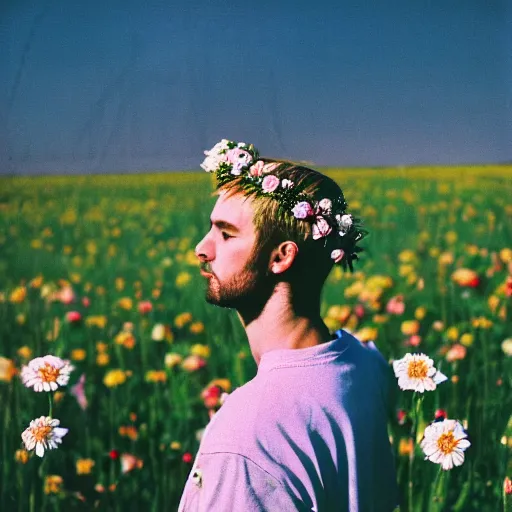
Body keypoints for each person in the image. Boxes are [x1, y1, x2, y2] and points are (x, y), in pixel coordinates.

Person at [177, 140, 399, 512]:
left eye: (226, 234)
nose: (202, 247)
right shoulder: (364, 364)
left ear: (281, 257)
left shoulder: (244, 436)